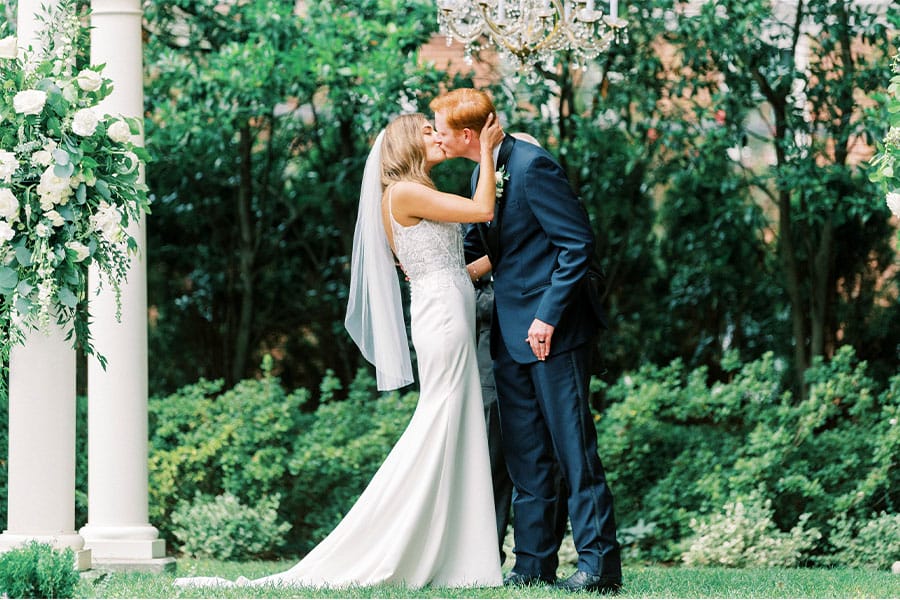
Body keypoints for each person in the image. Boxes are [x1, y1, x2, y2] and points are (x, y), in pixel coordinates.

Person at [173, 111, 505, 590]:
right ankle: (398, 536)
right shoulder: (406, 193)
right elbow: (482, 211)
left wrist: (498, 260)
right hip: (444, 317)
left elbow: (450, 263)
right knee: (443, 418)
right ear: (408, 144)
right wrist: (489, 151)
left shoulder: (414, 193)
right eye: (427, 131)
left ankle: (459, 554)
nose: (436, 136)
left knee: (456, 420)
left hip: (447, 304)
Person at [432, 88, 623, 594]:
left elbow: (576, 244)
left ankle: (599, 566)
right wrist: (433, 277)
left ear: (467, 134)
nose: (437, 135)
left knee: (573, 451)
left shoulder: (534, 165)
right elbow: (485, 252)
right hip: (508, 336)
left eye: (442, 129)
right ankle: (533, 565)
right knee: (527, 456)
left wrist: (547, 317)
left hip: (552, 334)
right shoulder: (480, 173)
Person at [466, 132, 568, 569]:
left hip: (534, 335)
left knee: (545, 457)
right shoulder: (479, 196)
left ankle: (536, 556)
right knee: (492, 456)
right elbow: (476, 250)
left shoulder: (536, 199)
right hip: (490, 344)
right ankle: (487, 553)